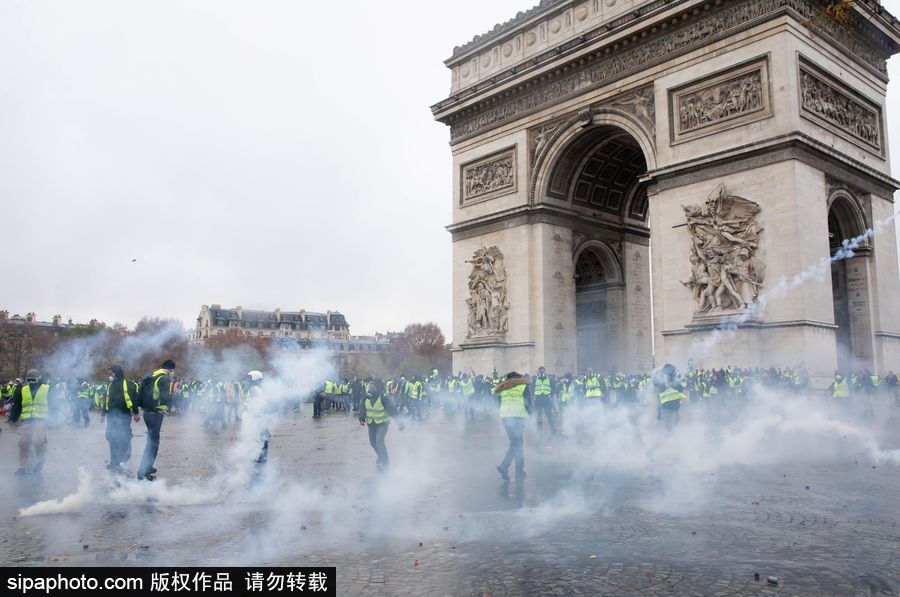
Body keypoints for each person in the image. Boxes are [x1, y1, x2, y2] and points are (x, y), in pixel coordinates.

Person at [137, 359, 175, 481]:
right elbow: (165, 396)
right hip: (156, 413)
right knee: (153, 444)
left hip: (147, 412)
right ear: (170, 369)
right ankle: (143, 472)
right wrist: (170, 403)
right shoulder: (164, 378)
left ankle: (148, 467)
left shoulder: (152, 375)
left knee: (151, 441)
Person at [9, 369, 51, 475]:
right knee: (23, 443)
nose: (31, 382)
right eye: (29, 380)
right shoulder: (23, 389)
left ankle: (40, 460)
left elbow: (52, 404)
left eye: (33, 380)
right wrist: (13, 417)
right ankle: (22, 467)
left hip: (41, 420)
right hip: (27, 420)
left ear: (38, 379)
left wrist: (52, 419)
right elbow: (17, 404)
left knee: (38, 441)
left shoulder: (46, 389)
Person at [494, 371, 532, 482]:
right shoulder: (523, 386)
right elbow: (528, 402)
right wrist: (529, 414)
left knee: (516, 443)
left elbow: (498, 402)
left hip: (505, 417)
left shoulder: (503, 387)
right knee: (517, 443)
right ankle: (504, 465)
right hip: (518, 417)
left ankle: (518, 467)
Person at [358, 379, 401, 470]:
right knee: (373, 443)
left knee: (379, 442)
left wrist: (399, 422)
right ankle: (381, 456)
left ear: (378, 387)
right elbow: (363, 407)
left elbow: (392, 410)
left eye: (373, 387)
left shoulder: (384, 397)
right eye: (370, 386)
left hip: (382, 423)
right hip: (371, 423)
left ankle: (385, 462)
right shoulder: (367, 397)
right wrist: (361, 418)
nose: (371, 388)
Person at [105, 365, 140, 473]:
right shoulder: (111, 385)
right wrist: (103, 414)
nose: (110, 376)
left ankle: (124, 459)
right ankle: (114, 461)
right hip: (111, 416)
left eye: (111, 373)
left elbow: (134, 399)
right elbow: (107, 399)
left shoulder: (129, 385)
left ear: (117, 373)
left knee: (125, 437)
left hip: (124, 416)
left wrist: (136, 413)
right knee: (112, 438)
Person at [531, 366, 557, 444]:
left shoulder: (549, 379)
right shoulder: (535, 379)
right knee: (539, 416)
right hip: (538, 399)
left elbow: (554, 388)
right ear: (538, 371)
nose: (541, 371)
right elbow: (531, 388)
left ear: (544, 371)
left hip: (546, 399)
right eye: (540, 370)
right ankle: (539, 432)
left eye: (542, 370)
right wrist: (533, 396)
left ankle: (553, 429)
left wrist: (551, 395)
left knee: (549, 415)